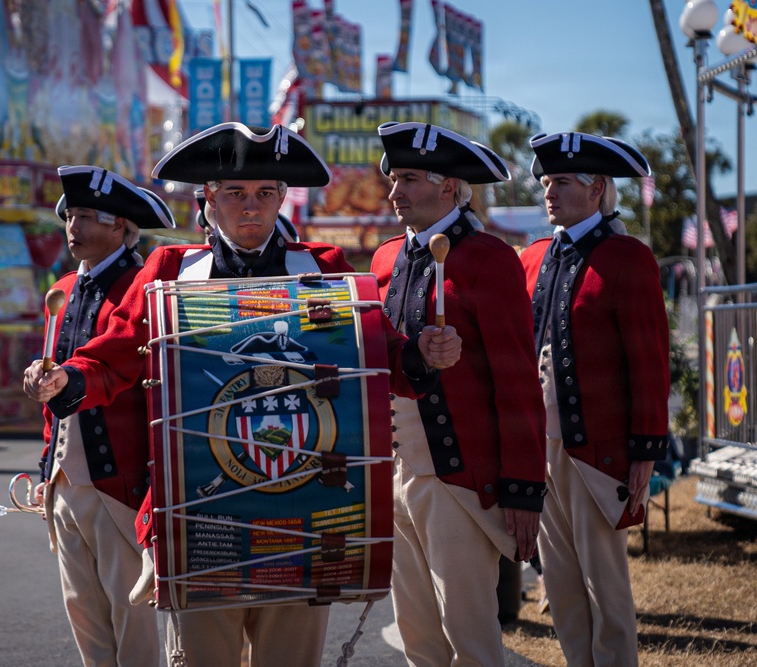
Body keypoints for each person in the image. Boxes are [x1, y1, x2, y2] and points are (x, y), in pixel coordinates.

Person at [23, 122, 462, 667]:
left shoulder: (322, 268)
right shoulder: (172, 272)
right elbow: (116, 350)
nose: (250, 207)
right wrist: (72, 377)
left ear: (282, 197)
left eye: (264, 193)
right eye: (234, 194)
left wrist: (422, 353)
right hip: (201, 518)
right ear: (208, 198)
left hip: (306, 512)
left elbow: (384, 355)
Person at [370, 121, 547, 666]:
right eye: (393, 179)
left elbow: (516, 378)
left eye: (409, 179)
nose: (395, 191)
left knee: (470, 636)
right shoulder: (383, 259)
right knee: (416, 635)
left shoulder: (489, 257)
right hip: (397, 470)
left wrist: (522, 488)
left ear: (450, 186)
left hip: (459, 476)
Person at [519, 131, 670, 666]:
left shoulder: (628, 258)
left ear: (597, 188)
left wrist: (645, 451)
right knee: (559, 583)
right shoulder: (536, 256)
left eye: (560, 182)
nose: (548, 192)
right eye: (545, 182)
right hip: (542, 450)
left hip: (598, 449)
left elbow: (650, 361)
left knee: (606, 586)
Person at [22, 165, 175, 666]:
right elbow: (57, 398)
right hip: (67, 484)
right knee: (83, 611)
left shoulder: (143, 285)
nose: (73, 225)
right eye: (71, 215)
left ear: (120, 227)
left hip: (123, 484)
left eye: (88, 215)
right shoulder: (64, 287)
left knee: (131, 617)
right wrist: (48, 470)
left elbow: (129, 375)